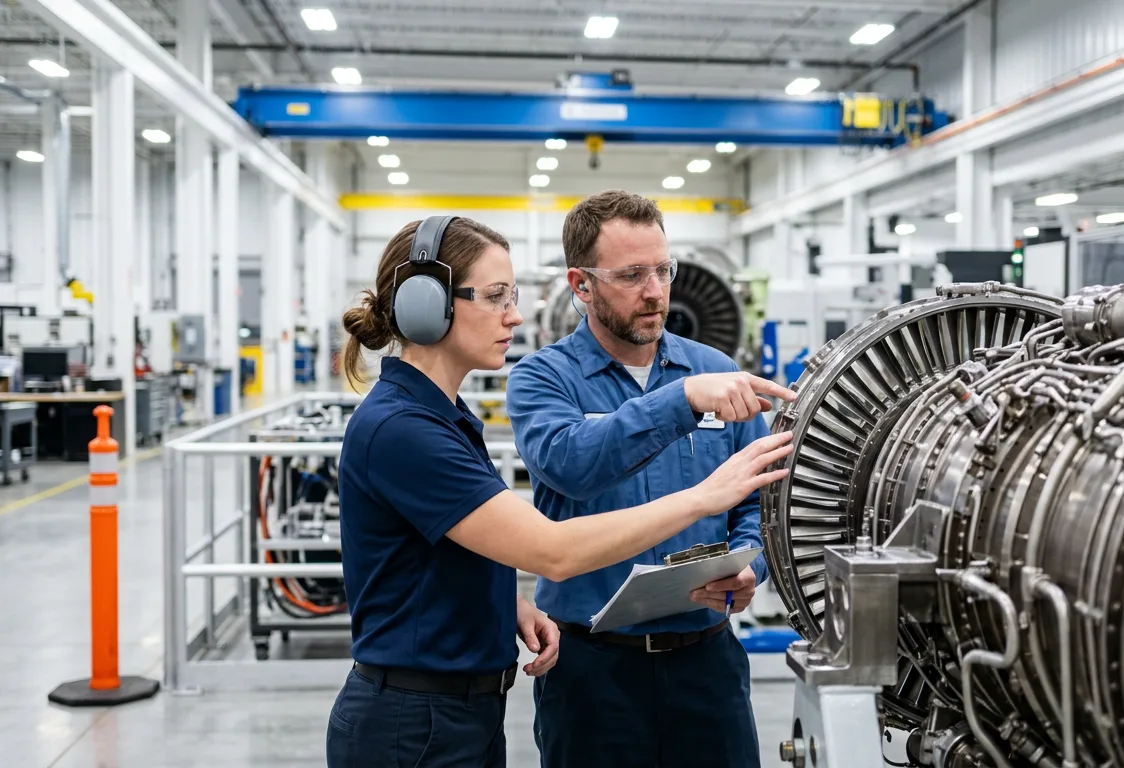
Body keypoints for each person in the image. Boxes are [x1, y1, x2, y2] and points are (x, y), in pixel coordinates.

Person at [326, 214, 795, 768]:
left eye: (661, 271)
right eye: (496, 296)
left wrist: (504, 603)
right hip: (429, 717)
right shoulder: (408, 427)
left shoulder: (445, 416)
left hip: (484, 703)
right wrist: (702, 486)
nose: (515, 315)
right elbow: (553, 546)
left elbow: (444, 550)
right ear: (429, 305)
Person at [506, 191, 796, 768]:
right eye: (632, 274)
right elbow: (574, 465)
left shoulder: (714, 369)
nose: (656, 291)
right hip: (592, 672)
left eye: (663, 270)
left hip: (706, 665)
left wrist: (749, 565)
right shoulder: (543, 378)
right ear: (581, 284)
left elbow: (762, 501)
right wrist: (679, 401)